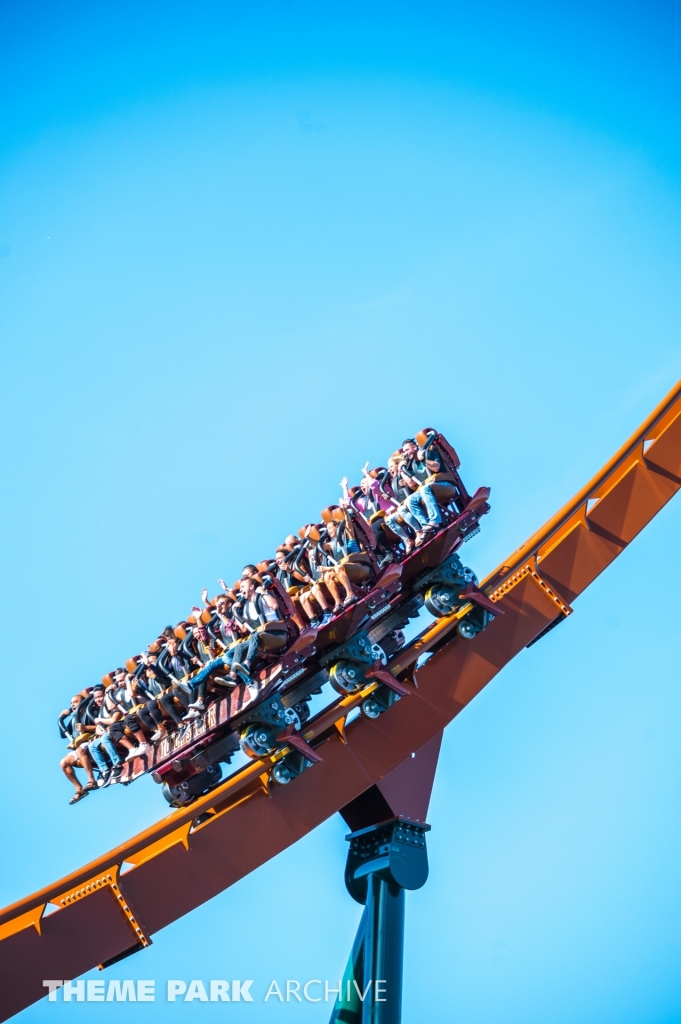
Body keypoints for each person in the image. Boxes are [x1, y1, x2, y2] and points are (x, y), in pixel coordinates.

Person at [397, 438, 444, 545]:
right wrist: (402, 469)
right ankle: (426, 525)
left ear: (414, 447)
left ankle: (435, 522)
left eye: (407, 450)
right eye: (404, 451)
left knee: (424, 488)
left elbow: (436, 468)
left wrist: (423, 459)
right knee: (410, 500)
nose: (405, 453)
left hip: (442, 482)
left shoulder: (429, 452)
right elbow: (412, 484)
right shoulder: (412, 464)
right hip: (426, 488)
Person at [59, 693, 98, 803]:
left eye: (75, 702)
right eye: (71, 703)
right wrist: (60, 718)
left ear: (83, 703)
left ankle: (92, 780)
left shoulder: (91, 711)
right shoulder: (74, 719)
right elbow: (63, 735)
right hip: (80, 746)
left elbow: (100, 726)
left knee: (81, 750)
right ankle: (79, 789)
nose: (72, 705)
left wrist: (86, 728)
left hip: (93, 740)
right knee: (63, 763)